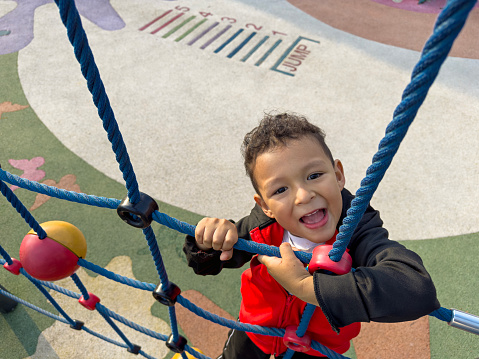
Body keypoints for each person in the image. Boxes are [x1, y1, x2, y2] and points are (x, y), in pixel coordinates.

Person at [183, 112, 440, 358]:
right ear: (265, 206)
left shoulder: (356, 229)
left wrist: (305, 287)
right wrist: (207, 242)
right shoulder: (259, 227)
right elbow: (204, 263)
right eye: (281, 189)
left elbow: (416, 288)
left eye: (314, 175)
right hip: (255, 328)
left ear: (338, 176)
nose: (304, 195)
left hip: (317, 348)